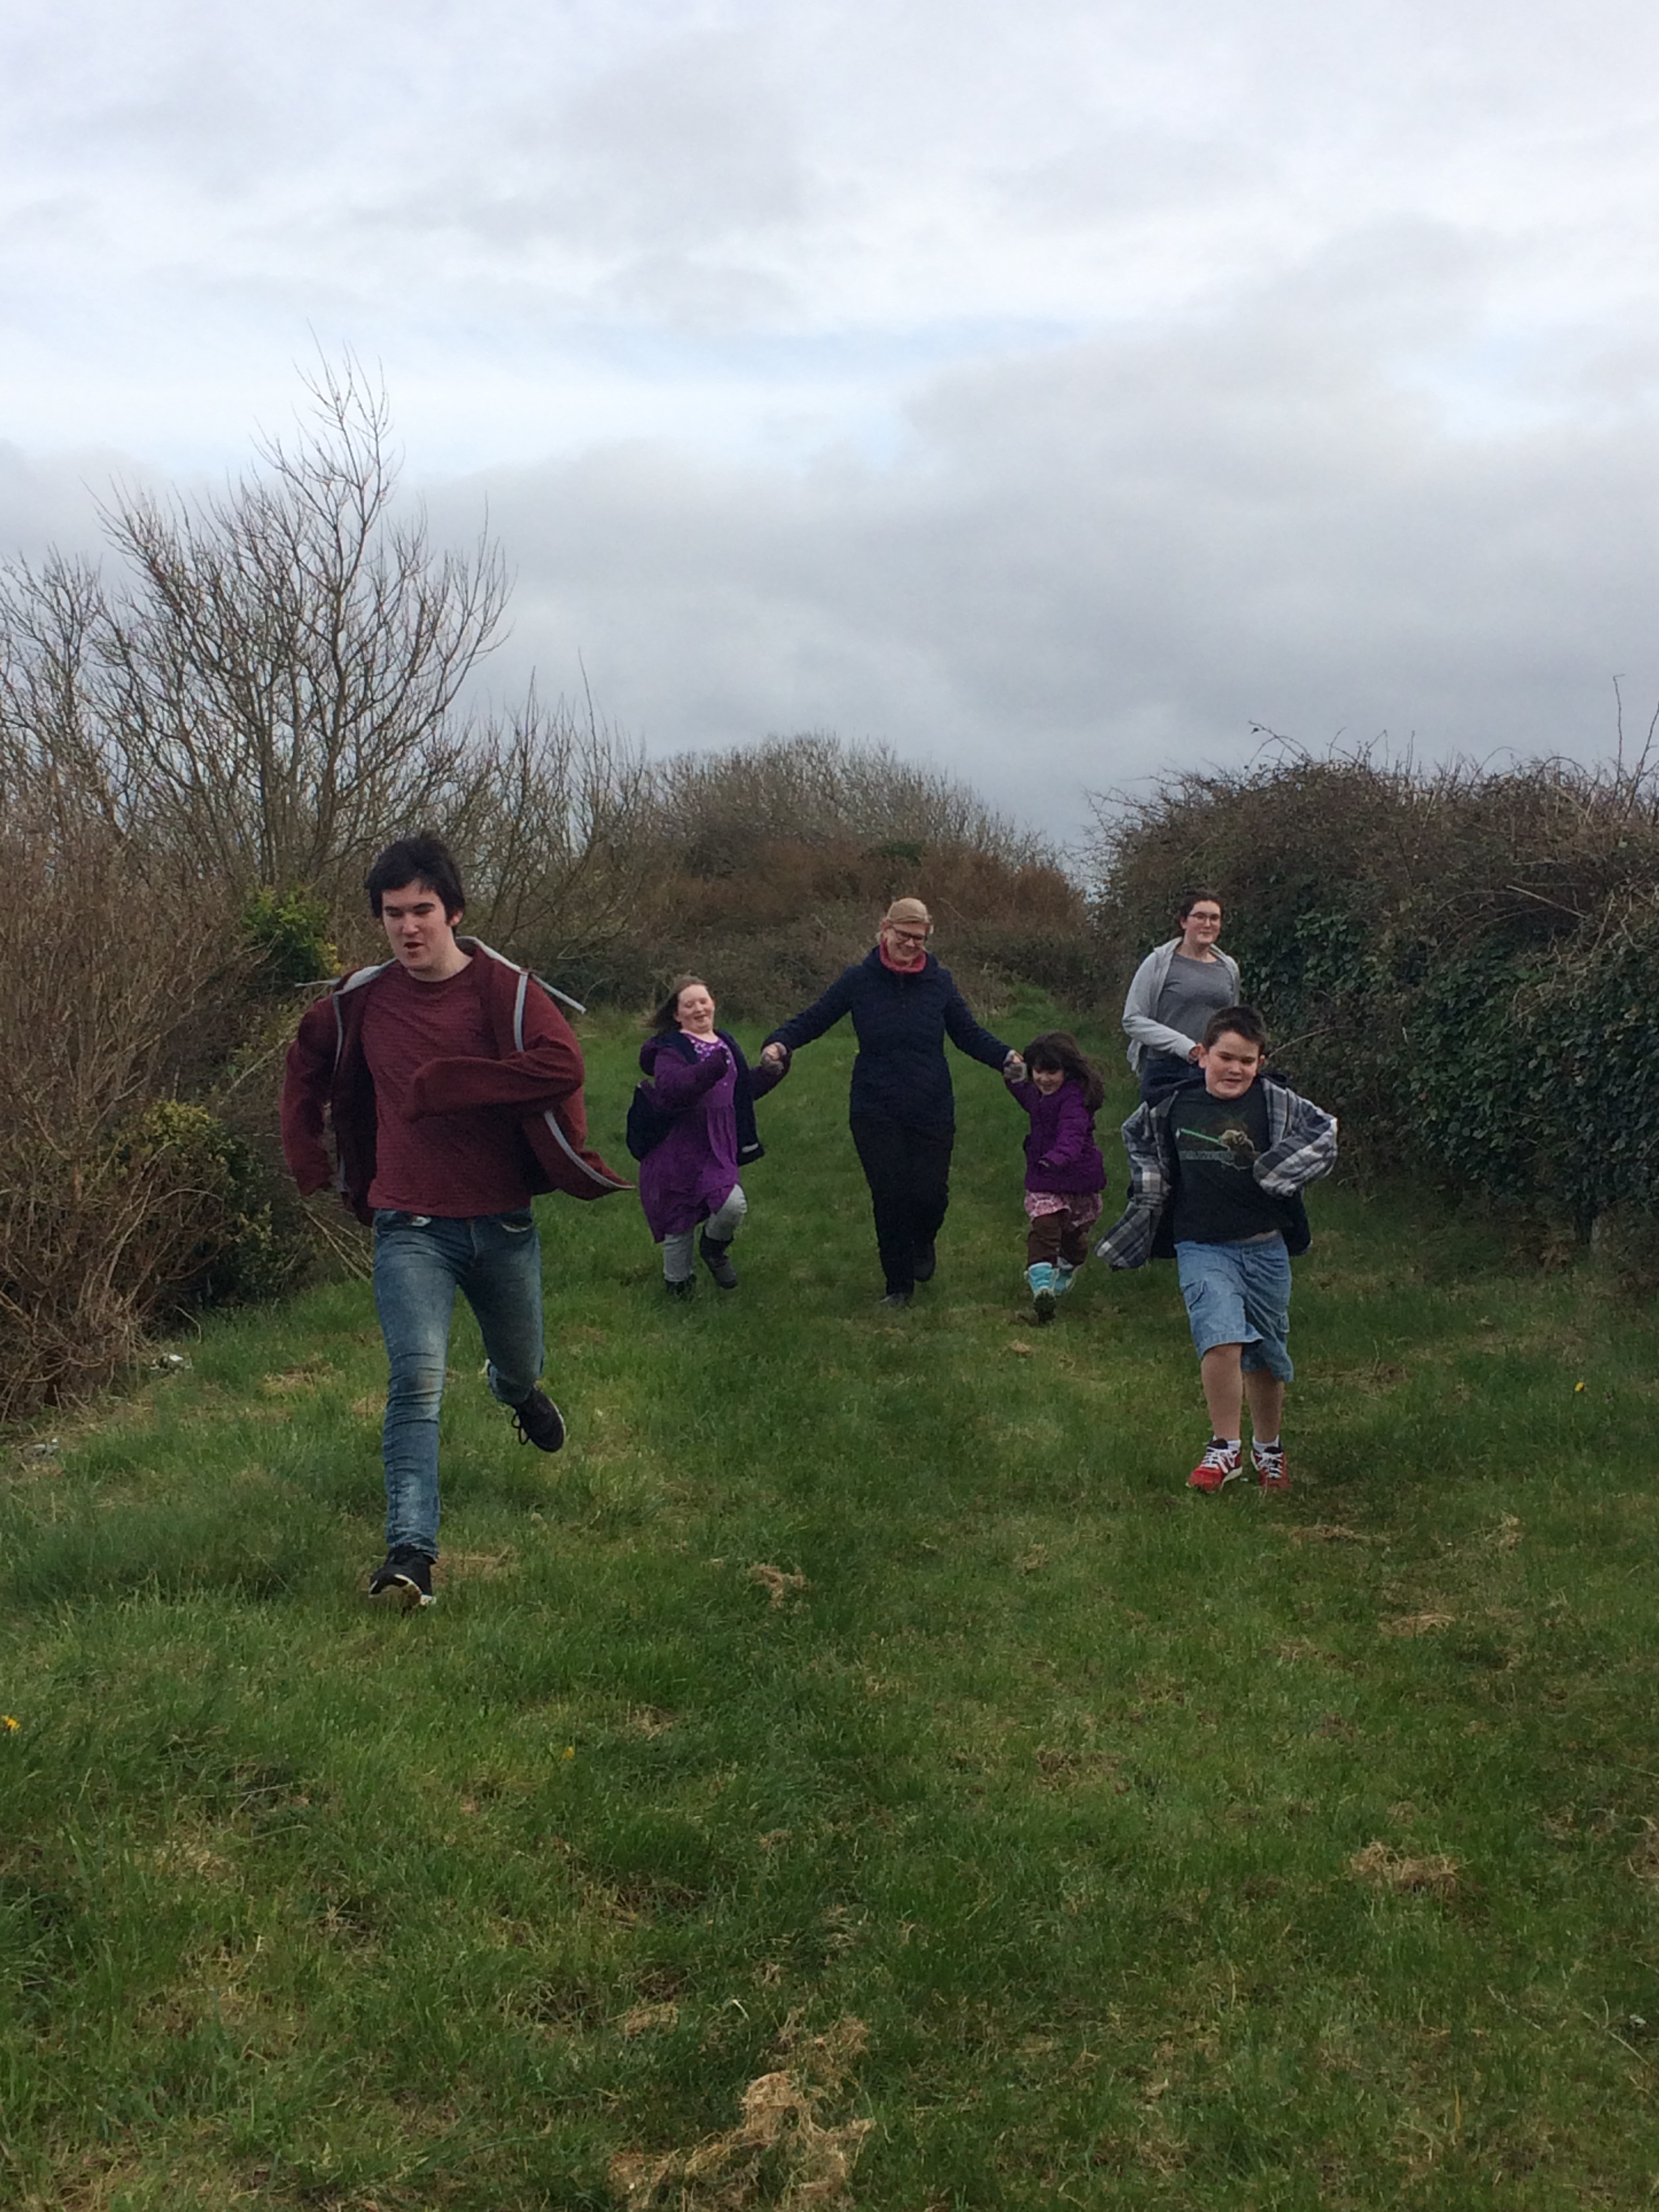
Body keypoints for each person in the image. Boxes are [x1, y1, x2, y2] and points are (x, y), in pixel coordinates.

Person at [281, 833, 630, 1610]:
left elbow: (563, 1066)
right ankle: (411, 1557)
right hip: (408, 1223)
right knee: (416, 1381)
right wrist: (307, 1154)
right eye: (393, 914)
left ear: (454, 912)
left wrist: (451, 1082)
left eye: (423, 911)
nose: (408, 928)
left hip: (501, 1222)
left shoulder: (504, 991)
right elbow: (303, 1065)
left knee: (520, 1360)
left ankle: (517, 1393)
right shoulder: (361, 999)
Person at [1095, 1004, 1336, 1495]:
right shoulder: (1173, 1105)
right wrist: (1150, 1188)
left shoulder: (1276, 1102)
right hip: (1201, 1244)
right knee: (1220, 1337)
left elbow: (1325, 1130)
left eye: (1247, 1061)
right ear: (1203, 1055)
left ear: (1260, 1063)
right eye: (1226, 1057)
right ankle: (1224, 1447)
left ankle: (1268, 1450)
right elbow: (1135, 1134)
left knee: (1266, 1357)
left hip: (1265, 1247)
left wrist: (1279, 1170)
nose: (1235, 1069)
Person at [760, 897, 1023, 1307]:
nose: (912, 944)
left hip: (931, 1105)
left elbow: (968, 1034)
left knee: (930, 1195)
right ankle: (898, 1285)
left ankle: (923, 1240)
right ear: (885, 929)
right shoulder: (858, 980)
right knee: (890, 1195)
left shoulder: (940, 982)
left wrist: (1005, 1057)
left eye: (920, 938)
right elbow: (815, 1018)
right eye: (904, 935)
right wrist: (779, 1043)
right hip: (875, 1106)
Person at [636, 975, 786, 1298]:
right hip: (677, 1146)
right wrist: (709, 1069)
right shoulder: (670, 1048)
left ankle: (713, 1248)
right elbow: (672, 1088)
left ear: (714, 1004)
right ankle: (678, 1290)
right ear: (677, 1014)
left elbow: (740, 1091)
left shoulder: (725, 1043)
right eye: (689, 1005)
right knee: (679, 1219)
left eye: (703, 1001)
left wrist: (771, 1073)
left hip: (718, 1143)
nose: (699, 1009)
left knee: (732, 1205)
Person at [1004, 1031, 1107, 1322]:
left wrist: (1058, 1157)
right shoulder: (1036, 1094)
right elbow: (1018, 1088)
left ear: (1067, 1071)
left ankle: (1068, 1265)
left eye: (1052, 1072)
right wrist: (1011, 1066)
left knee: (1072, 1236)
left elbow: (1072, 1135)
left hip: (1076, 1178)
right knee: (1045, 1226)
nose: (1044, 1079)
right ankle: (1041, 1287)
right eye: (1038, 1072)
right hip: (1044, 1177)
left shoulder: (1075, 1100)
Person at [1122, 890, 1242, 1104]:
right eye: (1200, 917)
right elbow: (1133, 1019)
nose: (1208, 924)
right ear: (1184, 921)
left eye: (1214, 918)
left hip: (1211, 1070)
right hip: (1165, 1069)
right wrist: (1184, 1046)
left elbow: (1232, 1021)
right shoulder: (1158, 963)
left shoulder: (1229, 968)